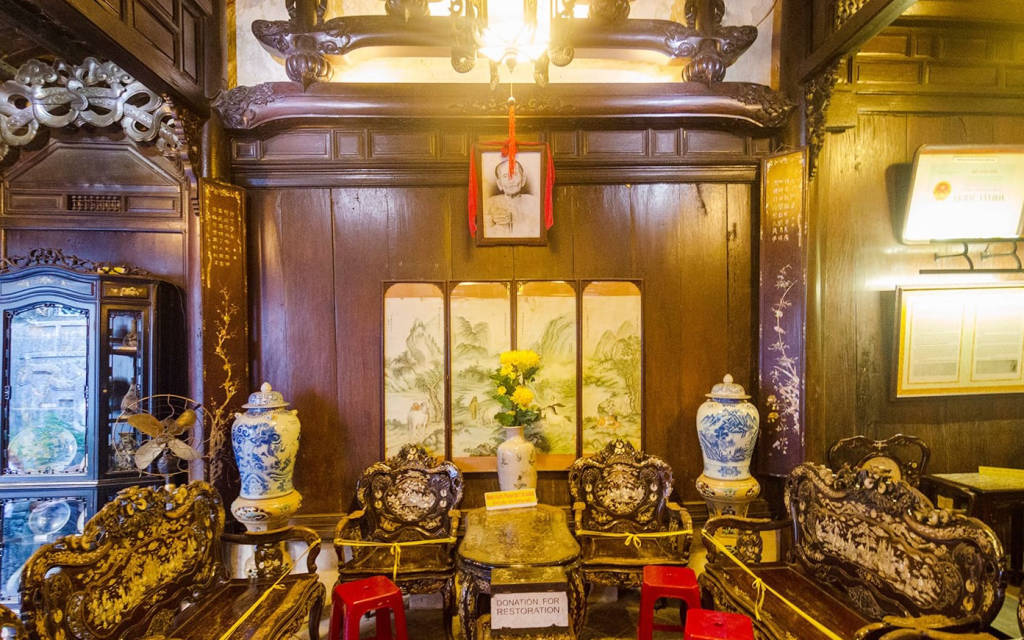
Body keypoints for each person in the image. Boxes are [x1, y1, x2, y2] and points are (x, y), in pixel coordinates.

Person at [484, 158, 539, 238]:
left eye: (515, 174)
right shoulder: (489, 204)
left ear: (523, 180)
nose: (511, 180)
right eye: (505, 176)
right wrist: (491, 221)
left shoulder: (534, 203)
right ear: (499, 184)